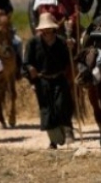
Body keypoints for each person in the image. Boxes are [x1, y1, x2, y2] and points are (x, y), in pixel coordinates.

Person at [24, 13, 75, 149]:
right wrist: (30, 70)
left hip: (59, 79)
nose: (46, 32)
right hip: (42, 82)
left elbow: (69, 60)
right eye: (44, 29)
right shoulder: (33, 43)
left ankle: (66, 130)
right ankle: (53, 142)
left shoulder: (62, 42)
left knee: (61, 106)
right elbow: (26, 62)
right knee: (47, 111)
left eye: (49, 29)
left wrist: (71, 48)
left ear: (53, 29)